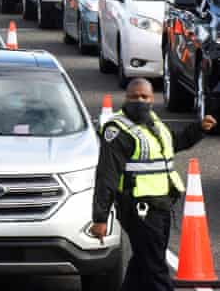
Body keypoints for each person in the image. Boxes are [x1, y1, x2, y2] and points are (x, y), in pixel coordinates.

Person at [91, 78, 216, 291]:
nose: (140, 101)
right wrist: (100, 218)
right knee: (155, 268)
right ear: (126, 98)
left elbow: (173, 143)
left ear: (152, 98)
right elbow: (107, 176)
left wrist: (199, 129)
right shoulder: (118, 130)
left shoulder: (154, 122)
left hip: (161, 205)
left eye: (144, 97)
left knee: (143, 262)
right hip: (139, 208)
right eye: (134, 97)